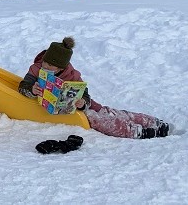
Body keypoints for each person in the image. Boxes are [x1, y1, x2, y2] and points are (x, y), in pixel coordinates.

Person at [18, 37, 171, 139]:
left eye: (51, 65)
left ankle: (151, 121)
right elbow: (23, 86)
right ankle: (135, 131)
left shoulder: (72, 75)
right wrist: (32, 90)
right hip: (72, 113)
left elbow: (84, 94)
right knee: (98, 120)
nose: (45, 66)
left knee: (107, 112)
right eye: (45, 62)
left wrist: (82, 103)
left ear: (61, 67)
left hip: (78, 108)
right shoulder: (36, 70)